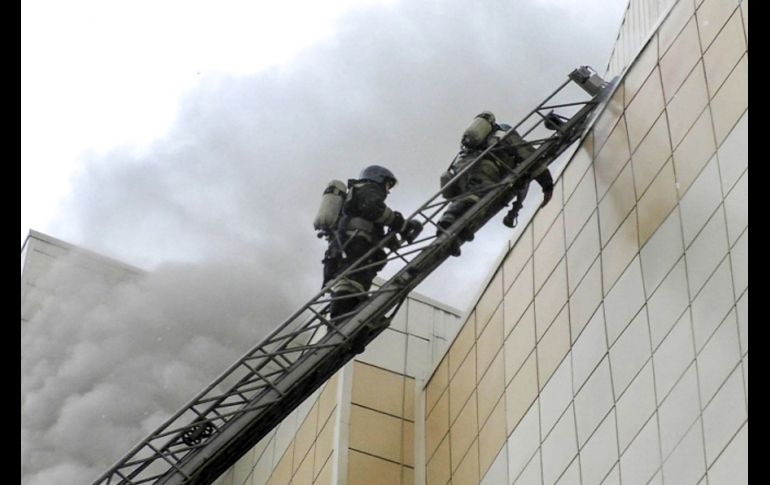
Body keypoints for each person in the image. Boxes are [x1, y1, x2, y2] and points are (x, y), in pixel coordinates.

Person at [437, 113, 554, 255]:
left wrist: (515, 208)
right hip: (484, 166)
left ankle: (452, 236)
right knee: (479, 195)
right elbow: (528, 155)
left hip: (461, 169)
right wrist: (547, 184)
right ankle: (448, 219)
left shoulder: (473, 142)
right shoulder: (504, 133)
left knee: (473, 202)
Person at [324, 165, 422, 319]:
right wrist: (402, 224)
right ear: (379, 178)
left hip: (346, 247)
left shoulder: (357, 194)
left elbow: (372, 226)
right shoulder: (368, 188)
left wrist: (390, 241)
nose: (388, 191)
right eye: (388, 185)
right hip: (355, 245)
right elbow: (373, 209)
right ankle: (341, 319)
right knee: (351, 284)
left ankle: (345, 318)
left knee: (353, 285)